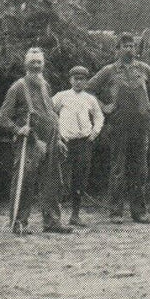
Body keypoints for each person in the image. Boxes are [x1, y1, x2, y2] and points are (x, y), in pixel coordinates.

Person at [86, 33, 150, 224]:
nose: (129, 49)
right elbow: (88, 90)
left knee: (140, 169)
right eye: (125, 46)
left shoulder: (144, 69)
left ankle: (139, 212)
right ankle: (116, 212)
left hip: (141, 126)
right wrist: (104, 107)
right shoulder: (109, 70)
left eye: (132, 46)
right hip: (118, 126)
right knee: (118, 169)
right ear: (118, 49)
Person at [0, 47, 70, 235]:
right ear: (25, 64)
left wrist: (59, 138)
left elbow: (51, 112)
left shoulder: (45, 85)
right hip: (30, 140)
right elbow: (3, 116)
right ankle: (19, 222)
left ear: (43, 64)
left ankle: (52, 221)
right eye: (32, 62)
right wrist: (18, 129)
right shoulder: (18, 87)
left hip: (51, 137)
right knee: (25, 181)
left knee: (53, 180)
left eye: (39, 62)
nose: (36, 65)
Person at [52, 65, 104, 227]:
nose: (78, 82)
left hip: (84, 144)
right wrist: (56, 134)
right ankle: (55, 216)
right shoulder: (62, 96)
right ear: (70, 80)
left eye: (82, 79)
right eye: (76, 79)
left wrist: (94, 133)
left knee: (79, 179)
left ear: (86, 81)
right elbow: (49, 113)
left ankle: (75, 215)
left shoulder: (90, 99)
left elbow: (99, 117)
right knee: (61, 179)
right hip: (65, 143)